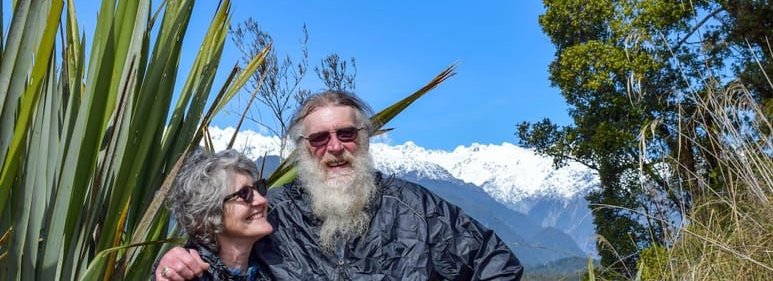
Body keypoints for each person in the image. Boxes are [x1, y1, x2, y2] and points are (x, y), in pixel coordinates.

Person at [155, 90, 523, 280]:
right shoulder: (272, 213)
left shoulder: (416, 208)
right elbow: (212, 252)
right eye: (319, 139)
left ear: (364, 138)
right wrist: (170, 262)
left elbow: (498, 265)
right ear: (302, 149)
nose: (334, 147)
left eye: (346, 133)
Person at [158, 149, 273, 280]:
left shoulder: (273, 269)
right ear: (207, 214)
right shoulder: (187, 276)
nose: (261, 200)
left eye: (259, 188)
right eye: (244, 194)